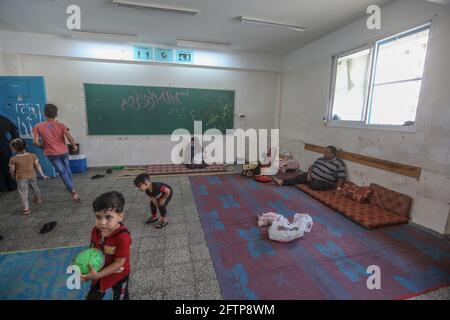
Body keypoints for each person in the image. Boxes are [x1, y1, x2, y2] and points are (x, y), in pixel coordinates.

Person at [81, 191, 131, 300]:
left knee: (121, 297)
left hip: (119, 272)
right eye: (98, 217)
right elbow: (93, 249)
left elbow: (119, 263)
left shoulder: (123, 236)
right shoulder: (96, 230)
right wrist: (83, 262)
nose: (102, 222)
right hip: (100, 268)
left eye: (108, 217)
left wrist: (98, 275)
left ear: (120, 217)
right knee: (93, 296)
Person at [32, 104, 80, 200]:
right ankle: (71, 186)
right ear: (56, 114)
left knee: (62, 171)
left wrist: (42, 146)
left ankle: (73, 190)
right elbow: (69, 137)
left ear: (44, 113)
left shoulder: (38, 126)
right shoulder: (61, 125)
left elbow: (35, 142)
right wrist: (74, 145)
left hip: (51, 153)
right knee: (67, 168)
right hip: (64, 151)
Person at [273, 146, 346, 191]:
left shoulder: (339, 163)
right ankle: (282, 182)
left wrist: (339, 188)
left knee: (315, 184)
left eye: (327, 152)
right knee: (298, 178)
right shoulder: (321, 158)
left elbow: (341, 177)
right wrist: (308, 175)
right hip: (311, 177)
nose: (325, 154)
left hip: (324, 182)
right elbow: (311, 167)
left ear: (333, 154)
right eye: (325, 152)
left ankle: (309, 182)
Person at [9, 138, 49, 214]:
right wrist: (43, 175)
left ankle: (26, 208)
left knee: (23, 192)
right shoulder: (32, 155)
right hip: (32, 175)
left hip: (21, 178)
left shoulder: (13, 159)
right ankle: (38, 199)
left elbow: (11, 170)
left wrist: (12, 175)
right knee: (35, 187)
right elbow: (37, 165)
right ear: (25, 146)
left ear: (14, 149)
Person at [0, 115, 19, 193]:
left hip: (3, 145)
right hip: (3, 146)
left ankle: (2, 187)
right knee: (7, 165)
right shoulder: (2, 119)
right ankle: (12, 186)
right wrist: (11, 141)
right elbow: (14, 132)